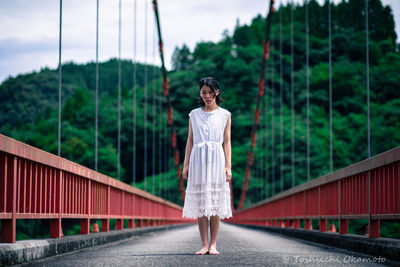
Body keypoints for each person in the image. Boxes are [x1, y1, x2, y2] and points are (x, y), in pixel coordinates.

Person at [182, 77, 232, 255]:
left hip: (217, 159)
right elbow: (190, 140)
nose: (207, 96)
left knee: (215, 203)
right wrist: (185, 164)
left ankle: (214, 244)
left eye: (211, 92)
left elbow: (227, 142)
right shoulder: (194, 114)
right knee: (202, 204)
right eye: (204, 92)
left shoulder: (225, 115)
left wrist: (228, 166)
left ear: (217, 92)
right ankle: (204, 244)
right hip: (198, 159)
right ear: (200, 93)